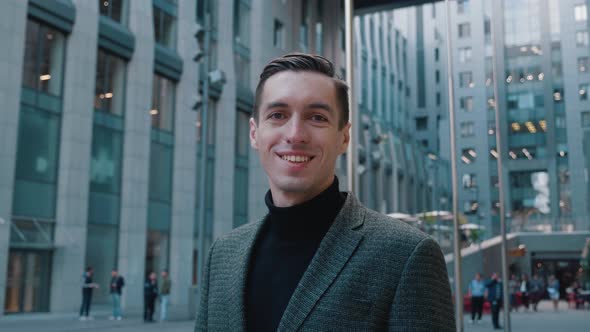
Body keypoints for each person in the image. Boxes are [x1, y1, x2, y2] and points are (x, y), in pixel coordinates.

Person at [195, 53, 455, 331]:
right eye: (278, 115)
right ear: (254, 133)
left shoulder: (407, 255)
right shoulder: (222, 256)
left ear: (344, 137)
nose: (295, 134)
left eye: (317, 117)